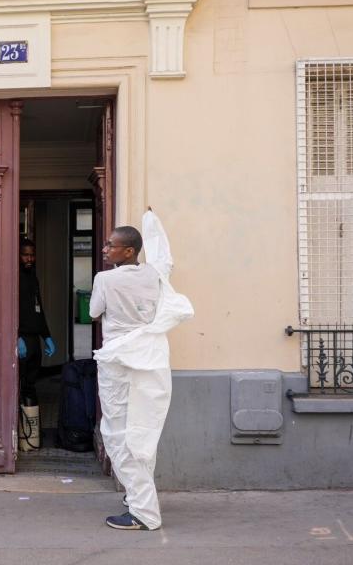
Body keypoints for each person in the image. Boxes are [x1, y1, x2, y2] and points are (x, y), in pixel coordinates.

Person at [90, 210, 193, 531]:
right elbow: (163, 252)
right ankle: (137, 496)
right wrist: (150, 221)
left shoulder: (104, 279)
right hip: (151, 358)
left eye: (111, 245)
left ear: (129, 251)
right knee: (144, 429)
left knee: (117, 432)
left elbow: (94, 312)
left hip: (119, 361)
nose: (105, 250)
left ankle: (143, 511)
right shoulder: (156, 274)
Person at [18, 238, 56, 405]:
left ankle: (31, 429)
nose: (29, 259)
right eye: (25, 255)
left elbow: (38, 308)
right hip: (21, 339)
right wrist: (15, 336)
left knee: (30, 385)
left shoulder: (33, 276)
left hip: (34, 340)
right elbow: (6, 309)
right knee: (18, 384)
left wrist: (46, 336)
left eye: (32, 255)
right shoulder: (12, 278)